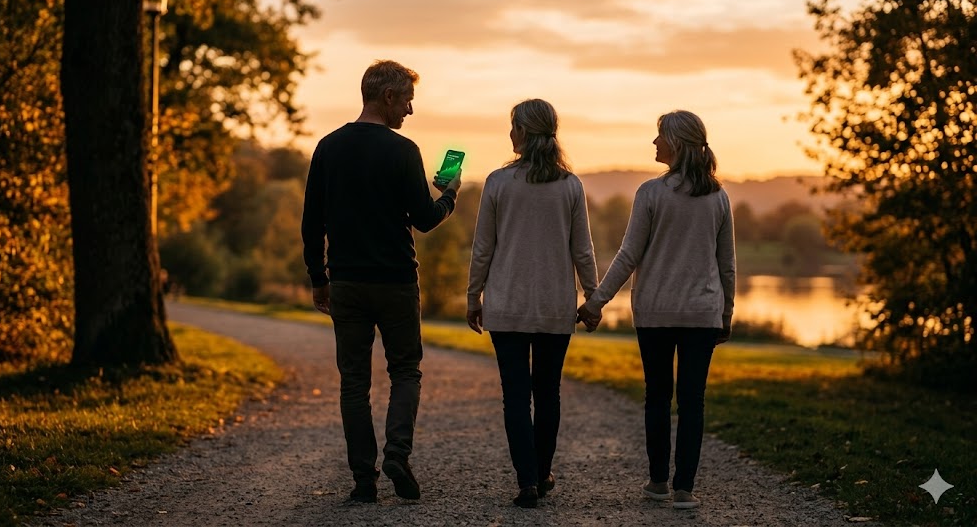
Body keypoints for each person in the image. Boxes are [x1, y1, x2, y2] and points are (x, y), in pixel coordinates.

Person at [301, 59, 462, 504]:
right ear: (388, 96)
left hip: (347, 283)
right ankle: (397, 454)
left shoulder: (328, 147)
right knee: (405, 370)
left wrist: (318, 278)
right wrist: (450, 194)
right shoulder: (403, 151)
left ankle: (363, 480)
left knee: (354, 381)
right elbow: (425, 219)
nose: (410, 110)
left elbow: (312, 222)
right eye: (407, 100)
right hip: (396, 283)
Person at [577, 109, 736, 510]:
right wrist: (726, 314)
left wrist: (595, 303)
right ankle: (685, 489)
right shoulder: (718, 197)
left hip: (655, 313)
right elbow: (727, 265)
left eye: (659, 135)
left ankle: (658, 482)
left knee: (657, 397)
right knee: (693, 400)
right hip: (702, 314)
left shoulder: (650, 193)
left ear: (676, 143)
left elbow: (628, 256)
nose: (654, 142)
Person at [466, 98, 599, 508]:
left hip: (506, 304)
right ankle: (541, 474)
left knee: (515, 396)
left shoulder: (497, 182)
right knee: (548, 393)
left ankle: (526, 480)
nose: (510, 133)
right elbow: (583, 250)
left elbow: (483, 248)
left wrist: (473, 295)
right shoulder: (570, 185)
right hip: (554, 307)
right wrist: (592, 296)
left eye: (513, 126)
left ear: (523, 132)